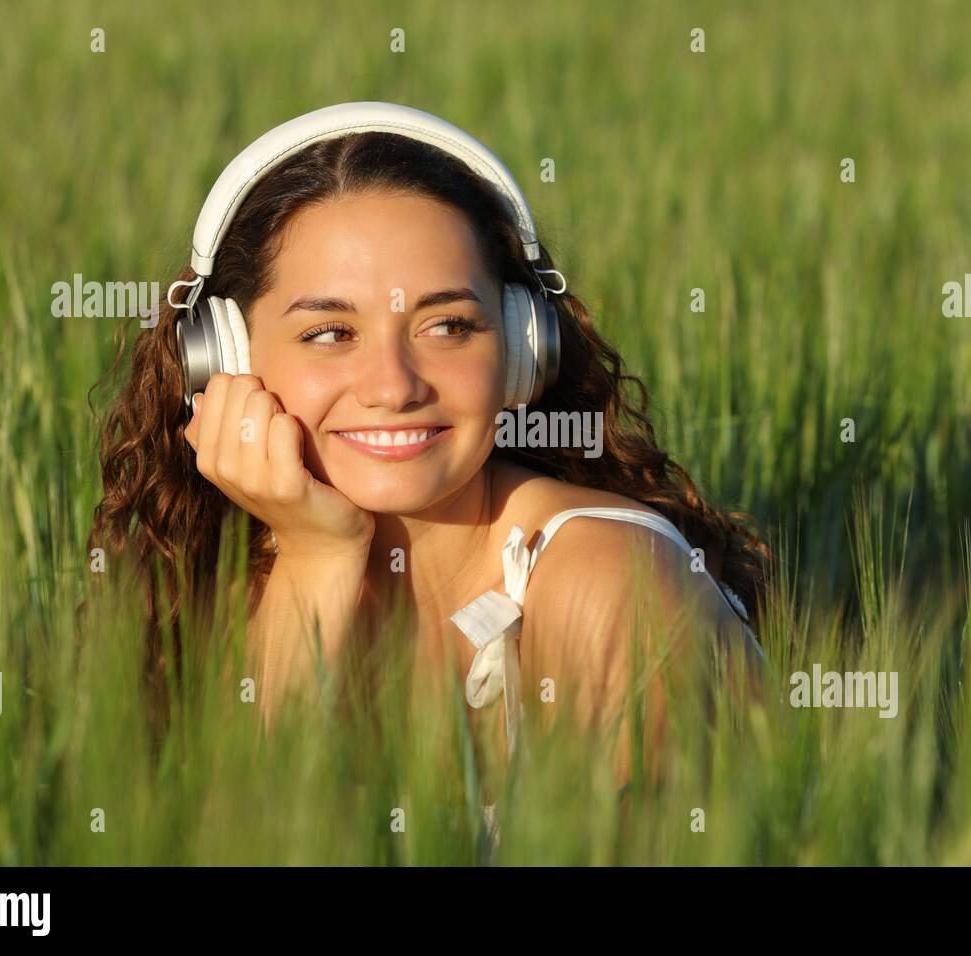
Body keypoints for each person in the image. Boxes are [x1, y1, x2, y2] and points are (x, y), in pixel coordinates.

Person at [88, 104, 770, 789]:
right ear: (223, 359)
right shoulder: (214, 581)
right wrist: (318, 557)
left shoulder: (609, 583)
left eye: (446, 326)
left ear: (520, 347)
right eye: (330, 333)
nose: (394, 387)